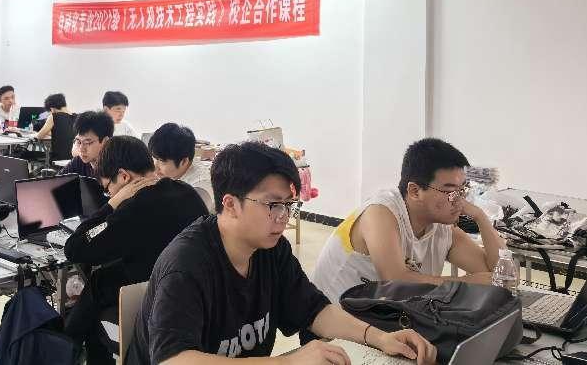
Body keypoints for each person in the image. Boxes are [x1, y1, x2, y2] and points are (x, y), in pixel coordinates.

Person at [127, 141, 436, 364]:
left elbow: (314, 310)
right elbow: (174, 359)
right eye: (273, 205)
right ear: (230, 204)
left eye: (288, 205)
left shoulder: (270, 249)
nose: (283, 218)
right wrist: (286, 362)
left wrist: (380, 338)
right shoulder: (187, 263)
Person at [310, 137, 504, 308]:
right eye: (450, 191)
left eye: (462, 190)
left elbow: (500, 274)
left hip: (381, 318)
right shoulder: (381, 212)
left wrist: (481, 217)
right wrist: (465, 283)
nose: (459, 200)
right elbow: (396, 282)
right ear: (415, 191)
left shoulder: (442, 227)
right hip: (333, 323)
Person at [64, 135, 208, 364]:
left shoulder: (130, 210)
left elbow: (74, 248)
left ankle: (63, 347)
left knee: (99, 282)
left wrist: (112, 204)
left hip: (148, 299)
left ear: (123, 176)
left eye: (108, 188)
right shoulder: (187, 191)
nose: (110, 194)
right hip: (196, 296)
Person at [148, 122, 214, 212]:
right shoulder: (171, 174)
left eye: (162, 161)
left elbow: (191, 215)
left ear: (184, 161)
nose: (156, 168)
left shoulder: (202, 185)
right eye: (155, 159)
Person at [60, 111, 113, 178]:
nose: (81, 149)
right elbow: (55, 182)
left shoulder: (117, 168)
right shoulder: (78, 162)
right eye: (79, 142)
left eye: (87, 143)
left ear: (105, 141)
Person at [34, 93, 77, 161]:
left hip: (58, 159)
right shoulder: (77, 117)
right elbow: (64, 133)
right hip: (74, 159)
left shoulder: (54, 116)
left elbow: (39, 136)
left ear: (52, 108)